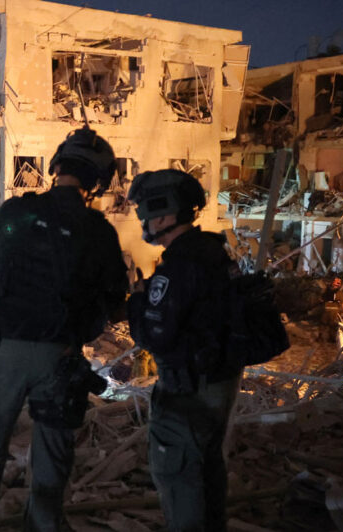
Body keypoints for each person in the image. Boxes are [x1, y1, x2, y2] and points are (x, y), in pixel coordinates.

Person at [0, 126, 128, 531]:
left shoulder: (15, 212)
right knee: (52, 450)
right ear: (97, 181)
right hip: (60, 355)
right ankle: (44, 524)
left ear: (56, 166)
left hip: (3, 351)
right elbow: (115, 299)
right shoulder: (98, 230)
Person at [126, 169, 241, 531]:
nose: (143, 222)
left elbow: (154, 336)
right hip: (218, 383)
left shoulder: (179, 265)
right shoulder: (214, 251)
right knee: (207, 469)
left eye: (145, 214)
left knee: (178, 476)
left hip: (187, 392)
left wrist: (137, 302)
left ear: (164, 214)